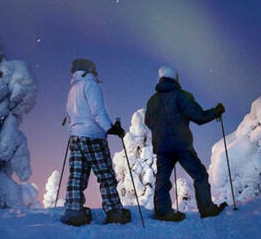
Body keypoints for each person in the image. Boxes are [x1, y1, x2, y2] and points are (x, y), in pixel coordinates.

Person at [144, 65, 226, 222]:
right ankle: (207, 210)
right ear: (175, 78)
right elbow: (199, 117)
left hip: (162, 147)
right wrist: (216, 111)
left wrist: (161, 131)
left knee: (162, 179)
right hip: (182, 145)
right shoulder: (182, 96)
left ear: (161, 79)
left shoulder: (153, 100)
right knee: (200, 174)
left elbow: (148, 122)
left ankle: (163, 212)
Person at [62, 58, 131, 226]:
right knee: (105, 174)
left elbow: (70, 115)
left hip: (76, 137)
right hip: (93, 136)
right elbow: (98, 112)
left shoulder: (73, 89)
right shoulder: (91, 85)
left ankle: (74, 211)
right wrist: (111, 128)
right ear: (88, 70)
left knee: (77, 175)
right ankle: (114, 211)